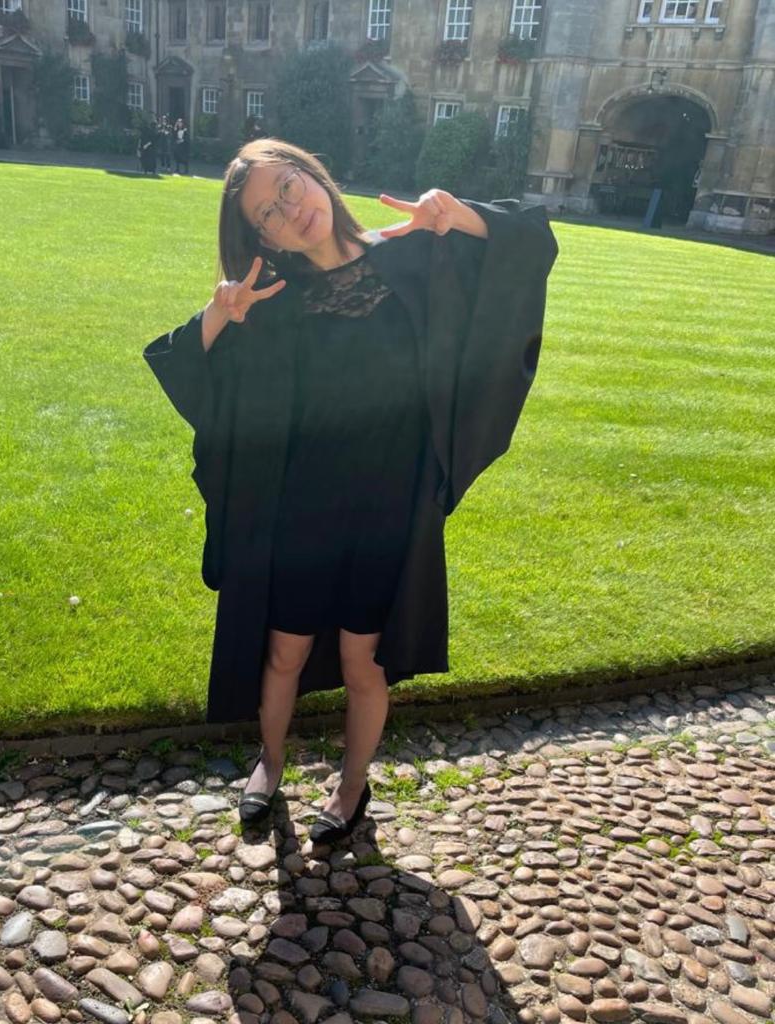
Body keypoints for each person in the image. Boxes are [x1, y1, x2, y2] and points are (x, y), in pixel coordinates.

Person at [142, 138, 557, 845]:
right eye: (267, 212)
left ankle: (350, 787)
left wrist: (466, 218)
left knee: (367, 660)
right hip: (300, 510)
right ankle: (268, 768)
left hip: (390, 509)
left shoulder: (414, 258)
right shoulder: (272, 300)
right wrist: (218, 314)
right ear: (260, 235)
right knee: (284, 654)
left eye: (290, 185)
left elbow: (528, 246)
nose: (289, 210)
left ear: (316, 176)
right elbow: (192, 378)